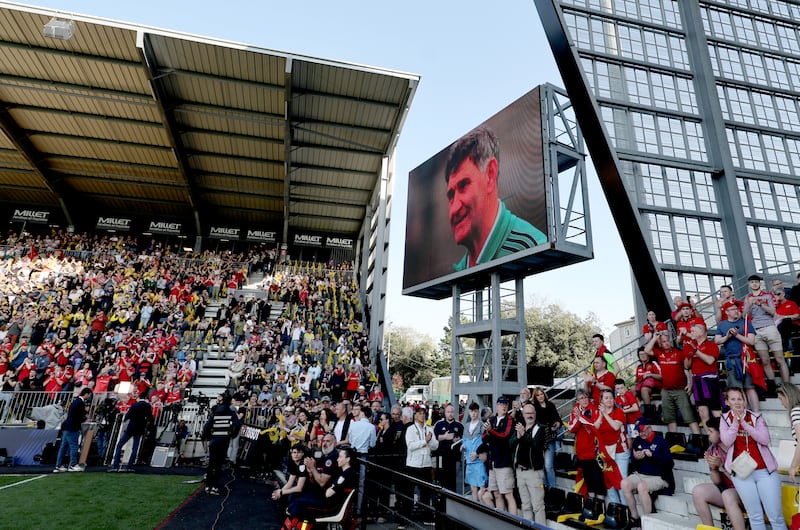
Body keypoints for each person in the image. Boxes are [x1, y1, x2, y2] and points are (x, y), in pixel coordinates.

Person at [445, 126, 546, 271]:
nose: (454, 209)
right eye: (451, 195)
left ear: (490, 175)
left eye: (464, 185)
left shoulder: (533, 245)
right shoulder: (457, 270)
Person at [719, 386, 787, 530]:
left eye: (740, 399)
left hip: (765, 472)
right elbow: (726, 441)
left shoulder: (756, 417)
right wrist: (736, 424)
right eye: (733, 399)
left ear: (745, 401)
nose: (737, 402)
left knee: (776, 516)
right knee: (755, 516)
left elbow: (765, 439)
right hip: (742, 473)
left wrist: (745, 424)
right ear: (727, 402)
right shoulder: (725, 419)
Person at [691, 417, 745, 530]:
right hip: (727, 490)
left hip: (746, 491)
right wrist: (715, 469)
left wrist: (722, 466)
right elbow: (717, 481)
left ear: (721, 432)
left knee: (727, 494)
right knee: (698, 491)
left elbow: (742, 479)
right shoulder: (712, 449)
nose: (708, 434)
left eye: (711, 431)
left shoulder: (738, 447)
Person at [644, 331, 700, 434]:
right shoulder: (659, 353)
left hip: (680, 390)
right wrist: (654, 338)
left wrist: (690, 384)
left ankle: (700, 441)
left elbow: (689, 368)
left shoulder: (679, 353)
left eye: (668, 341)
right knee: (670, 419)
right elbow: (647, 350)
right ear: (660, 343)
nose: (666, 343)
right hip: (666, 391)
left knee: (690, 418)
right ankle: (675, 442)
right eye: (663, 341)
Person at [621, 417, 674, 524]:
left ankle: (648, 520)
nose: (641, 433)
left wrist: (653, 455)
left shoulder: (660, 441)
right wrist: (635, 458)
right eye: (639, 431)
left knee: (641, 486)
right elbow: (632, 460)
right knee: (624, 483)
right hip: (640, 474)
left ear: (650, 428)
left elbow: (670, 463)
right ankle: (635, 516)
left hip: (658, 476)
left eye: (643, 430)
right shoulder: (637, 441)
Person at [744, 274, 790, 389]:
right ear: (749, 285)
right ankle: (773, 385)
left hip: (770, 327)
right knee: (765, 360)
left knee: (779, 358)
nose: (754, 284)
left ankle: (787, 385)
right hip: (756, 330)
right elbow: (744, 315)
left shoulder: (768, 295)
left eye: (756, 281)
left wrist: (761, 304)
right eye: (752, 282)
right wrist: (749, 305)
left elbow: (773, 312)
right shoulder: (747, 297)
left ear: (760, 283)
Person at [715, 300, 761, 411]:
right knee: (737, 389)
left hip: (745, 358)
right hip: (731, 360)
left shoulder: (745, 322)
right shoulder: (722, 325)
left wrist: (736, 335)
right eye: (733, 309)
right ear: (726, 312)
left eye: (736, 309)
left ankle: (756, 414)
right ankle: (744, 414)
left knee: (750, 388)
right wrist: (727, 337)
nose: (736, 311)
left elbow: (751, 341)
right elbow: (717, 341)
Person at [510, 402, 546, 525]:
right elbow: (510, 445)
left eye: (531, 413)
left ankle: (541, 528)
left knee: (538, 506)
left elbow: (536, 446)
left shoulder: (540, 428)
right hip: (520, 472)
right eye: (527, 413)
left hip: (534, 473)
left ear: (535, 414)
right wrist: (518, 437)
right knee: (525, 505)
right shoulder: (520, 427)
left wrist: (524, 434)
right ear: (523, 414)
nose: (529, 415)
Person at [200, 393, 242, 494]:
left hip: (214, 440)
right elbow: (238, 424)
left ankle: (208, 486)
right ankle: (214, 486)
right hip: (224, 441)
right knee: (219, 465)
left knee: (211, 464)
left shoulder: (215, 412)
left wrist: (207, 436)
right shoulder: (231, 412)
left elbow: (206, 427)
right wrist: (232, 435)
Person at [683, 322, 722, 427]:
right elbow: (687, 366)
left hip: (710, 381)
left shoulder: (712, 345)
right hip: (697, 381)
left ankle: (723, 438)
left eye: (693, 331)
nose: (691, 333)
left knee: (716, 411)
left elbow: (710, 361)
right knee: (702, 412)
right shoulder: (691, 345)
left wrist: (696, 351)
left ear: (701, 332)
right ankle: (711, 437)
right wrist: (689, 355)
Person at [482, 396, 517, 514]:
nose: (504, 406)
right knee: (496, 493)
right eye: (501, 404)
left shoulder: (510, 419)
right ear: (496, 406)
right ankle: (502, 520)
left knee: (508, 494)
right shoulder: (491, 420)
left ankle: (513, 523)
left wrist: (491, 431)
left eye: (506, 404)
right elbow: (483, 437)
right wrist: (489, 432)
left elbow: (504, 436)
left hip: (504, 462)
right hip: (492, 462)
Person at [568, 390, 605, 502]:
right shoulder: (575, 411)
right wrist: (579, 419)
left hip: (594, 452)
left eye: (585, 397)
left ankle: (600, 506)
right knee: (589, 481)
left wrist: (581, 418)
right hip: (582, 452)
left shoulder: (594, 409)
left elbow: (594, 427)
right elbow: (571, 429)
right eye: (580, 398)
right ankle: (592, 506)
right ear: (577, 400)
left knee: (598, 480)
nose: (583, 400)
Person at [405, 405, 438, 516]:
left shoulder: (429, 429)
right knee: (409, 491)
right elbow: (410, 446)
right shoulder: (410, 429)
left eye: (424, 413)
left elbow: (435, 446)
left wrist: (429, 441)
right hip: (413, 465)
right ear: (415, 415)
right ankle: (407, 515)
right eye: (419, 413)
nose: (422, 415)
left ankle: (426, 515)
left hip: (426, 465)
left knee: (426, 492)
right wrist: (425, 441)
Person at [108, 393, 153, 473]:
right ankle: (129, 466)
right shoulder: (147, 406)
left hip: (131, 427)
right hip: (140, 428)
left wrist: (125, 419)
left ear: (139, 398)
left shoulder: (135, 405)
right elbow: (150, 417)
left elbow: (128, 415)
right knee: (135, 448)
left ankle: (116, 465)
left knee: (119, 445)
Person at [598, 389, 628, 504]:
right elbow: (595, 429)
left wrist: (605, 414)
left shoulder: (619, 412)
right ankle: (616, 509)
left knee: (621, 482)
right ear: (601, 400)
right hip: (606, 452)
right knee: (609, 482)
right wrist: (601, 415)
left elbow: (616, 427)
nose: (609, 400)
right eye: (606, 398)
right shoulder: (598, 413)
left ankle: (625, 510)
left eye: (611, 397)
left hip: (620, 451)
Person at [54, 386, 93, 473]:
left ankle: (58, 465)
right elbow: (78, 416)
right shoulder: (80, 403)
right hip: (73, 428)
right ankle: (72, 465)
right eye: (89, 395)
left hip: (67, 427)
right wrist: (85, 419)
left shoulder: (75, 401)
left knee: (63, 447)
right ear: (86, 394)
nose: (89, 397)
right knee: (74, 446)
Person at [531, 386, 560, 489]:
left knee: (548, 466)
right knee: (541, 466)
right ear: (535, 397)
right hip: (539, 439)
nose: (540, 396)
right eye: (537, 395)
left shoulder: (551, 405)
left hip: (550, 438)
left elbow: (558, 419)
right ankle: (545, 487)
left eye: (541, 394)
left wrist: (557, 424)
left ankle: (552, 488)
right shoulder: (534, 407)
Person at [433, 403, 464, 491]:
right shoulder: (439, 424)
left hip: (455, 458)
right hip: (442, 457)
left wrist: (457, 440)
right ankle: (442, 501)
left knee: (453, 482)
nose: (450, 414)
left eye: (452, 412)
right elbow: (434, 439)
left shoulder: (459, 425)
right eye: (448, 412)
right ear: (445, 413)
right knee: (442, 481)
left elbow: (464, 440)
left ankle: (453, 501)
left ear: (454, 413)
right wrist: (444, 437)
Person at [462, 402, 487, 502]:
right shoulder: (466, 426)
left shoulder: (482, 426)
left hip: (479, 461)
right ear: (469, 412)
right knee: (473, 488)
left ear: (478, 412)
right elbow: (464, 440)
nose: (474, 414)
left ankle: (484, 509)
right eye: (472, 411)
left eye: (476, 411)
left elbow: (484, 442)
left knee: (482, 488)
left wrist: (477, 454)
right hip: (469, 461)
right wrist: (463, 446)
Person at [776, 383, 800, 484]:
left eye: (781, 399)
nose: (781, 403)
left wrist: (793, 466)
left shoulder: (795, 411)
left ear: (787, 396)